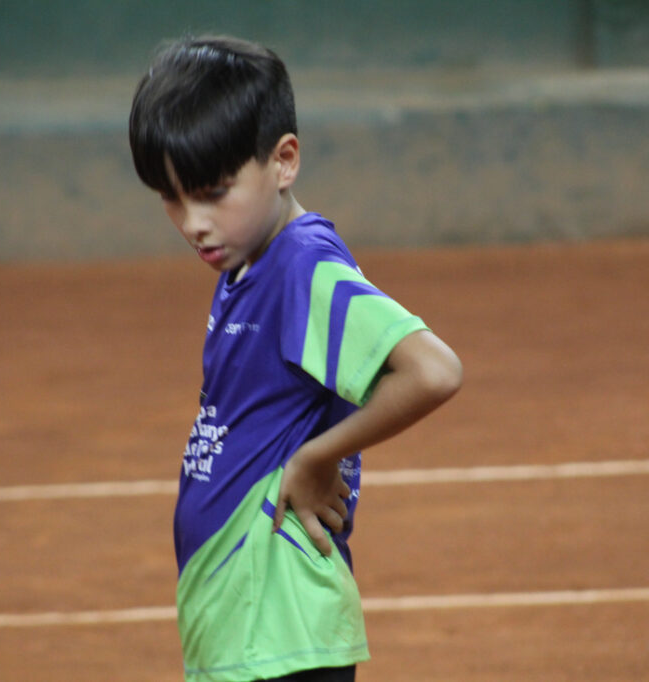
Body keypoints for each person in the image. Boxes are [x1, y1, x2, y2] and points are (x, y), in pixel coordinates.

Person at [128, 35, 462, 682]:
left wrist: (316, 457)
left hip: (279, 626)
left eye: (213, 192)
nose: (192, 222)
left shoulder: (300, 269)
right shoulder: (249, 264)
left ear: (283, 161)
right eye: (170, 197)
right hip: (249, 626)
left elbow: (433, 370)